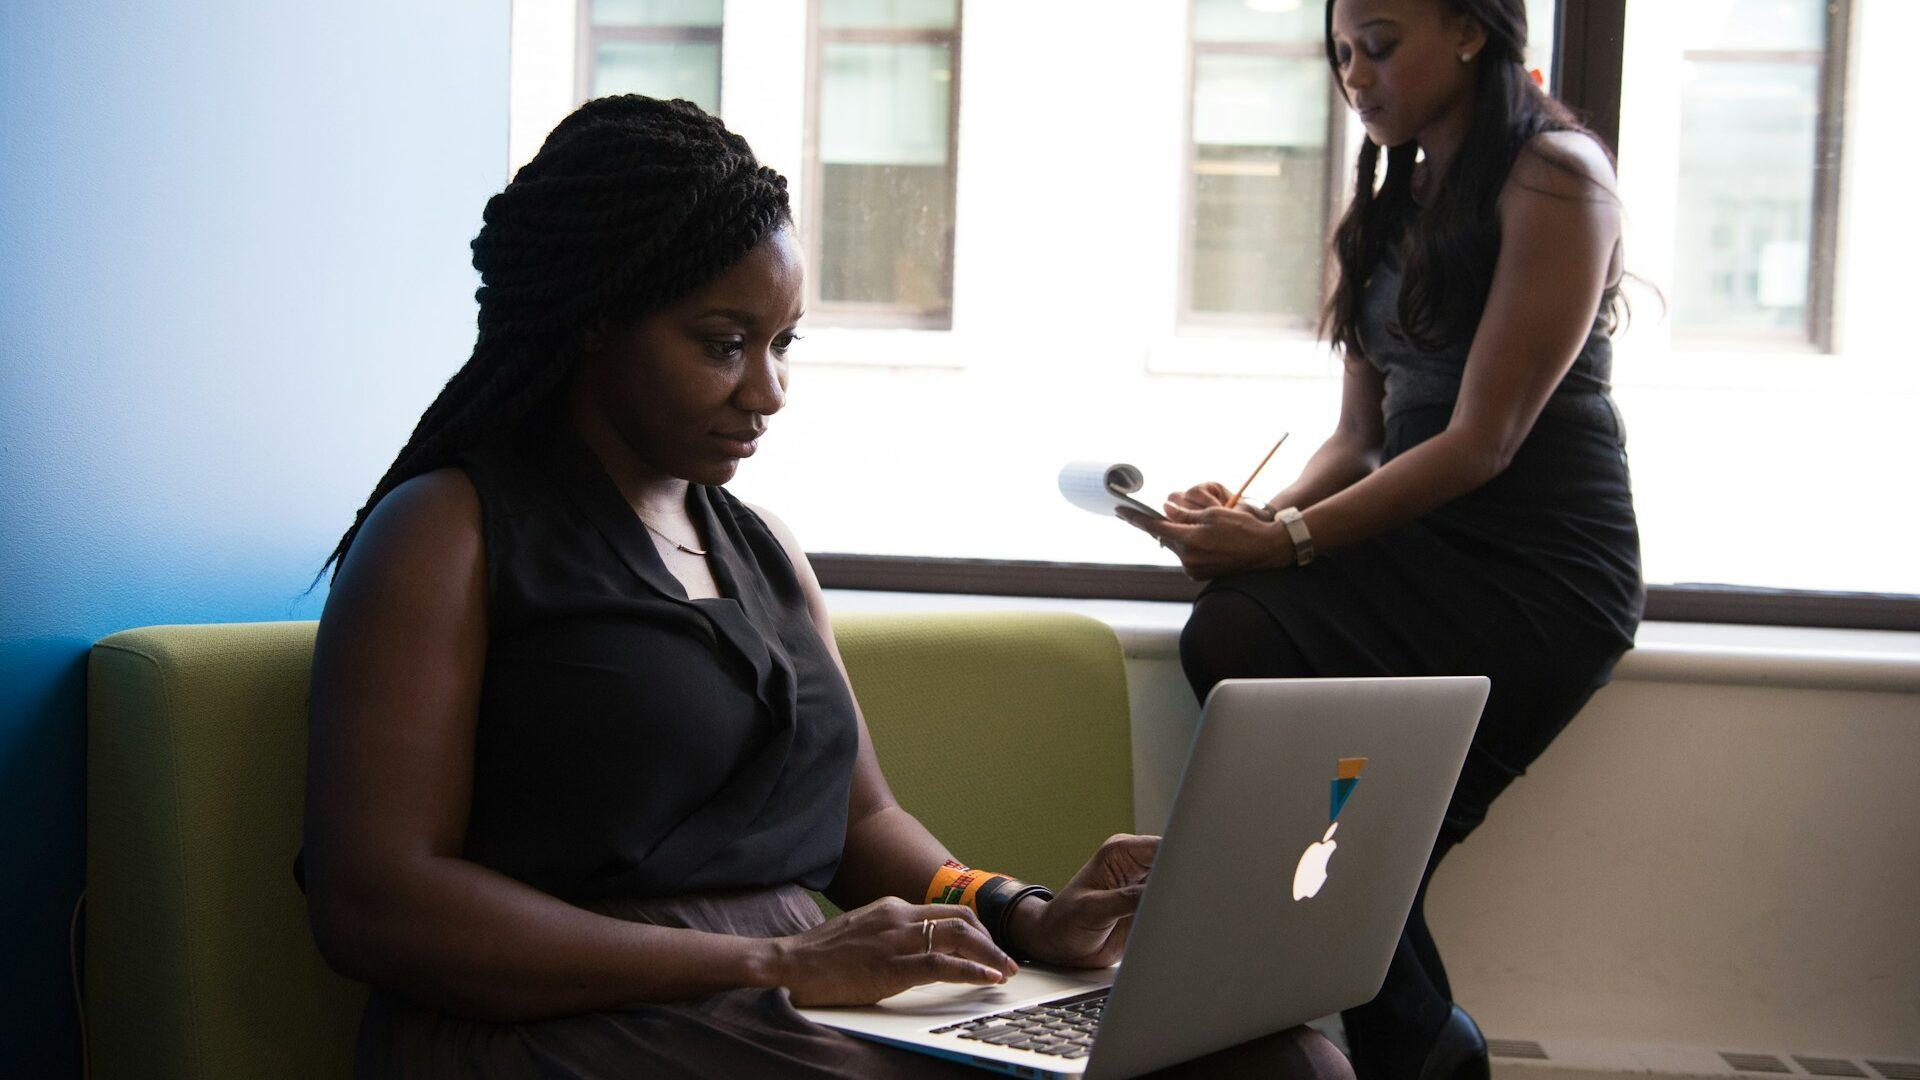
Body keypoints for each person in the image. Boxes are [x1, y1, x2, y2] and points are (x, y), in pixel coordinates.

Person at [301, 95, 1351, 1079]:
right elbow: (380, 902)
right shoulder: (448, 532)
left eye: (780, 344)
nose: (768, 392)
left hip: (805, 992)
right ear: (594, 321)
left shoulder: (762, 550)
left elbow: (862, 828)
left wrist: (1021, 913)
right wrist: (769, 966)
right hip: (565, 1017)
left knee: (1278, 1059)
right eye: (723, 346)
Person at [1118, 1, 1643, 1078]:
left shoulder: (1558, 178)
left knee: (1357, 840)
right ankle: (1424, 1046)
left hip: (1539, 572)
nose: (1356, 73)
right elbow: (1360, 438)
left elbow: (1483, 442)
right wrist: (1261, 522)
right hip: (1416, 545)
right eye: (1343, 51)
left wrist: (1293, 540)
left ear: (1466, 30)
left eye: (1382, 42)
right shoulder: (1390, 203)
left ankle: (1416, 1045)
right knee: (1234, 638)